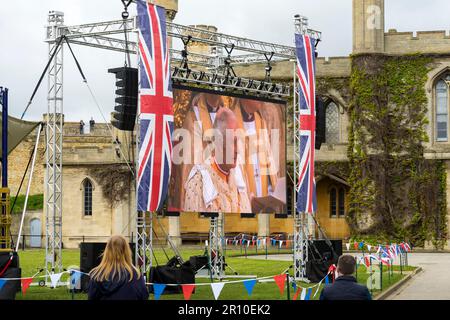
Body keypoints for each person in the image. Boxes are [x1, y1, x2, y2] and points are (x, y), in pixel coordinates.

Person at [183, 108, 251, 213]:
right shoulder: (199, 181)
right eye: (233, 142)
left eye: (238, 142)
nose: (237, 150)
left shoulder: (238, 176)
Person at [87, 235, 149, 300]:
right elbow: (144, 295)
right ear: (127, 251)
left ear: (107, 251)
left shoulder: (97, 275)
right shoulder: (136, 275)